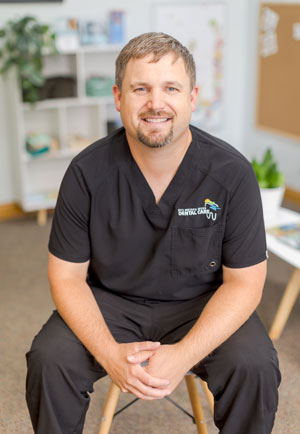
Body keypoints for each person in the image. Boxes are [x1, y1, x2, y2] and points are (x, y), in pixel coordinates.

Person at [26, 32, 281, 434]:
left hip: (201, 303)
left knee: (253, 364)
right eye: (140, 88)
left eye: (171, 89)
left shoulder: (231, 173)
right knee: (50, 357)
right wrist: (109, 354)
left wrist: (182, 356)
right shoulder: (86, 173)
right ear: (118, 98)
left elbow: (246, 284)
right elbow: (66, 277)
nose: (155, 103)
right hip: (111, 303)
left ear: (192, 98)